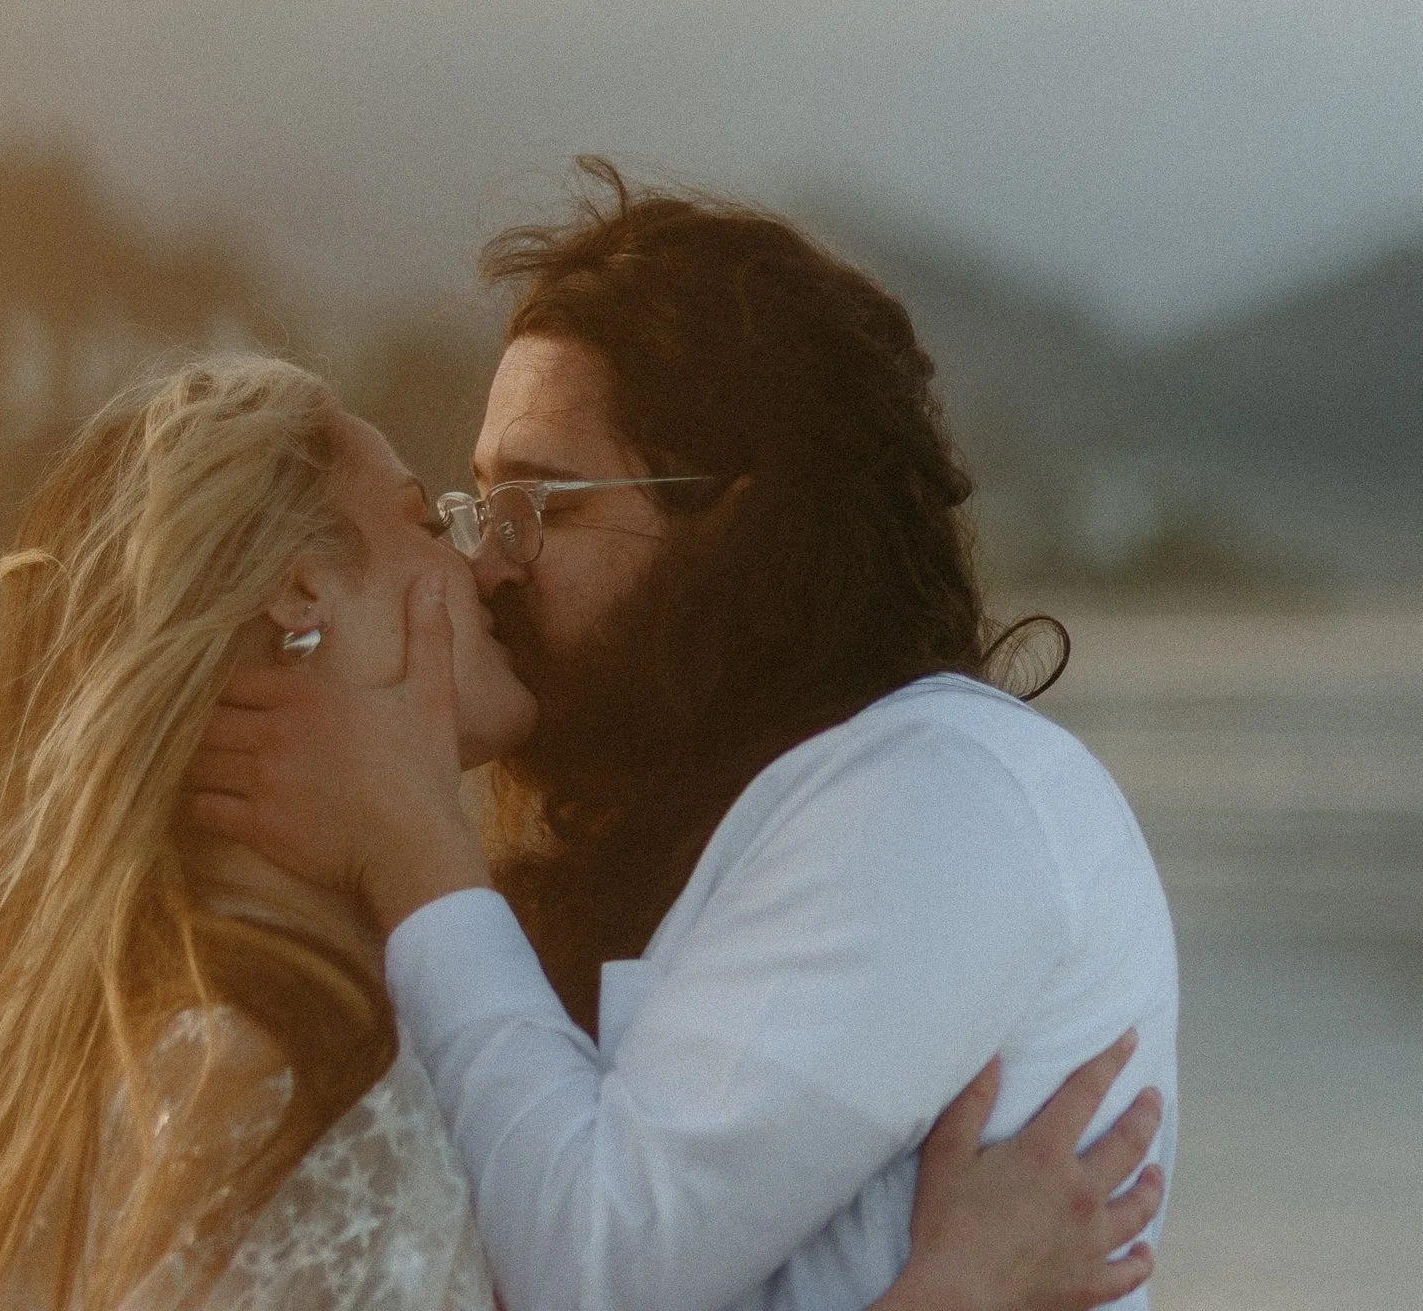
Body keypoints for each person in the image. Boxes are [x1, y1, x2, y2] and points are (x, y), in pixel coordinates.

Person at [0, 354, 1165, 1311]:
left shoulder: (185, 1023)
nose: (485, 567)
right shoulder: (287, 1069)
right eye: (426, 518)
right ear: (301, 591)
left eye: (525, 511)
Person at [189, 168, 1182, 1311]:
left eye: (543, 503)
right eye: (475, 506)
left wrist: (413, 840)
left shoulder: (938, 792)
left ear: (745, 527)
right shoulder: (692, 826)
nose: (488, 561)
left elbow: (597, 1266)